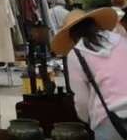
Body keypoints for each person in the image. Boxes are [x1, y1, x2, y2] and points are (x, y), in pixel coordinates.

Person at [50, 8, 127, 140]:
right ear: (95, 24)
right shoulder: (121, 40)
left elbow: (81, 100)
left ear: (71, 35)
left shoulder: (77, 54)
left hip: (109, 121)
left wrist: (88, 119)